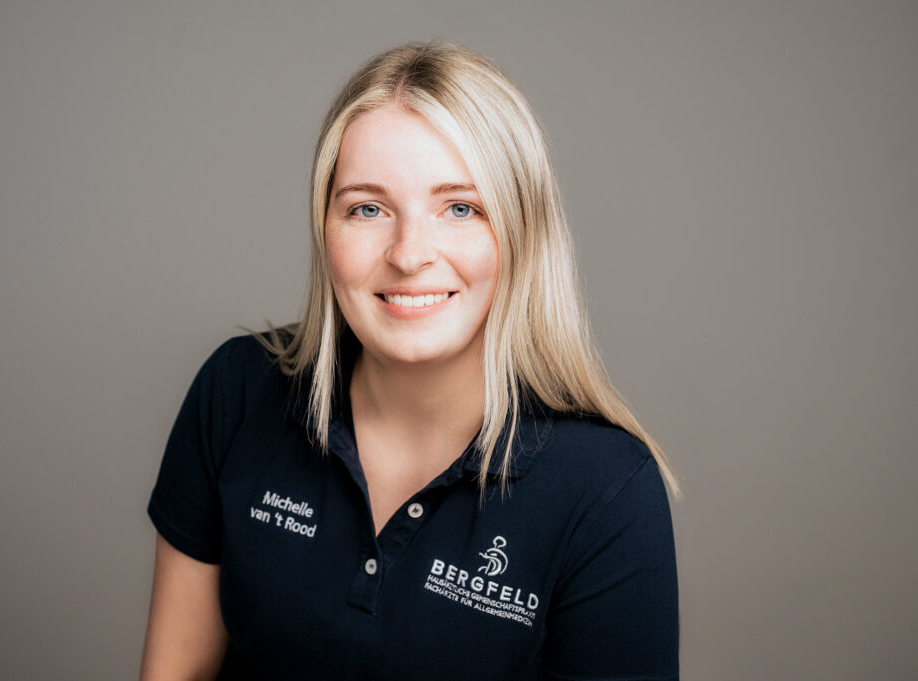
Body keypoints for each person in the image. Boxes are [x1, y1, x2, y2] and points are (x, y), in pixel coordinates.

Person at [140, 40, 681, 681]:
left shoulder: (606, 490)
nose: (408, 253)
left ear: (523, 233)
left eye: (460, 208)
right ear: (324, 227)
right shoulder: (236, 392)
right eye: (367, 208)